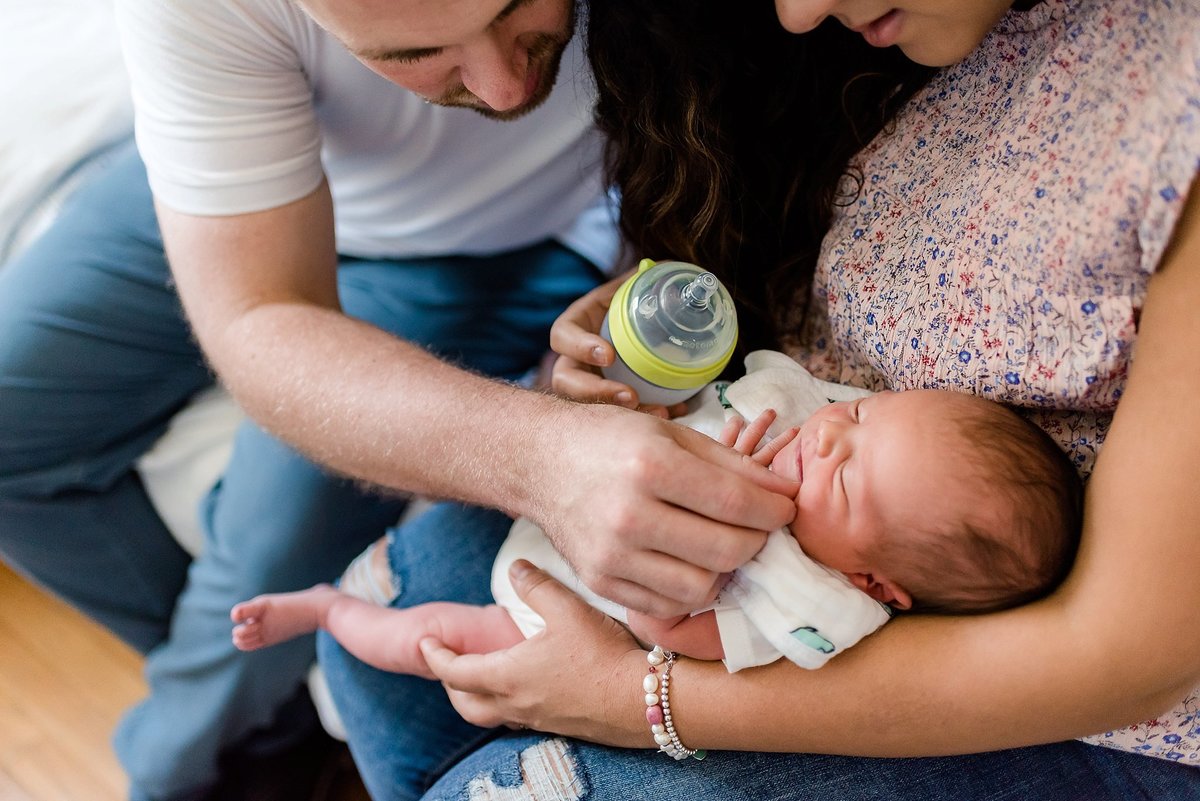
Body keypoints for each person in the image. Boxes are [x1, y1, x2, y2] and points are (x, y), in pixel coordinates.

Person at [315, 0, 1200, 799]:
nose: (799, 11)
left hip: (1086, 695)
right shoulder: (929, 37)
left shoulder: (1172, 105)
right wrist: (651, 318)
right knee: (378, 660)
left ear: (871, 584)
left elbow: (1125, 656)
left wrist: (640, 700)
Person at [0, 1, 804, 799]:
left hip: (495, 243)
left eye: (518, 5)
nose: (501, 89)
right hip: (266, 192)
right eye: (411, 52)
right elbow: (255, 311)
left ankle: (172, 770)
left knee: (271, 540)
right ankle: (267, 724)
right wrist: (542, 455)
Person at [231, 356, 1082, 678]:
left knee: (436, 644)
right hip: (566, 500)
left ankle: (329, 611)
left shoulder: (808, 608)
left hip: (548, 608)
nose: (825, 435)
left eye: (848, 480)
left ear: (871, 580)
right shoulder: (786, 435)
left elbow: (667, 632)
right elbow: (696, 412)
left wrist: (695, 582)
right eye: (857, 419)